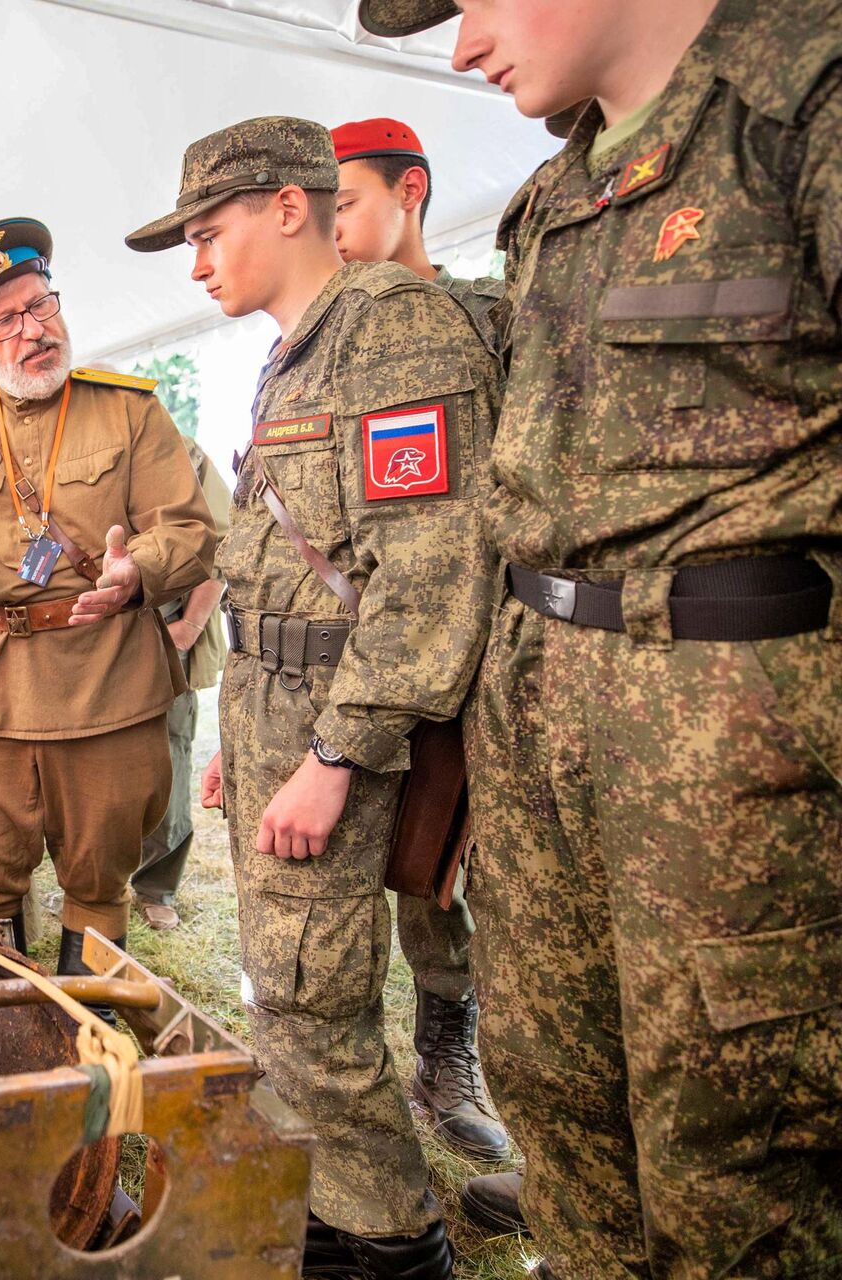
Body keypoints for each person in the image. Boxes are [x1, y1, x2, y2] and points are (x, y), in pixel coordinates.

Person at [356, 2, 842, 1275]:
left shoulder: (803, 103)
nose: (463, 47)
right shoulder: (553, 196)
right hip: (546, 716)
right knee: (562, 1098)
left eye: (476, 2)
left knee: (741, 1150)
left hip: (739, 739)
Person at [126, 117, 501, 1278]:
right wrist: (254, 732)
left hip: (345, 717)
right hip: (281, 696)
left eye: (207, 232)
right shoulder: (301, 347)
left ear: (289, 210)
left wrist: (335, 754)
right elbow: (300, 554)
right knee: (294, 1000)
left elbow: (432, 569)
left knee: (315, 1007)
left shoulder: (390, 330)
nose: (196, 263)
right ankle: (343, 1210)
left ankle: (390, 1241)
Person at [0, 216, 216, 971]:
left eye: (41, 304)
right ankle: (3, 1018)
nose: (32, 329)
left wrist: (136, 570)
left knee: (99, 879)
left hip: (107, 680)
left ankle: (95, 1023)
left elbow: (189, 529)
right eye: (5, 319)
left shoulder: (130, 407)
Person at [330, 114, 513, 1164]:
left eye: (348, 201)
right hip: (364, 644)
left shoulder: (486, 317)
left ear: (412, 191)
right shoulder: (320, 339)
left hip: (486, 640)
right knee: (381, 844)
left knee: (457, 866)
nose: (335, 229)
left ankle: (450, 1057)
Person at [130, 433, 230, 931]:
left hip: (163, 632)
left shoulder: (174, 448)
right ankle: (92, 884)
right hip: (80, 637)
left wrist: (189, 626)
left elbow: (223, 544)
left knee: (168, 757)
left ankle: (155, 885)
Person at [330, 118, 506, 344]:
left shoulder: (495, 312)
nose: (330, 233)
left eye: (342, 207)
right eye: (321, 219)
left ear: (410, 190)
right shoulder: (327, 335)